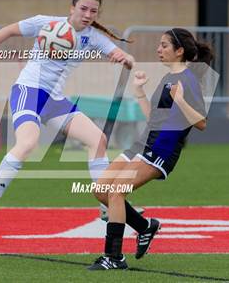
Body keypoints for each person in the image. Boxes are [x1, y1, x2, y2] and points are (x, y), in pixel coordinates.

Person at [0, 0, 135, 228]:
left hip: (55, 100)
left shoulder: (93, 37)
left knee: (99, 139)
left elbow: (123, 55)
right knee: (28, 144)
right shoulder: (46, 23)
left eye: (93, 11)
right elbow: (10, 30)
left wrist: (125, 60)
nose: (87, 14)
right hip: (28, 92)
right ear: (72, 8)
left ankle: (105, 204)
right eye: (83, 8)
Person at [88, 28, 214, 270]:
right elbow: (154, 118)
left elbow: (201, 123)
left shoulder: (189, 80)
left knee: (115, 192)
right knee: (101, 189)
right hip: (144, 142)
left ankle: (114, 257)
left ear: (179, 51)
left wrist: (180, 100)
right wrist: (139, 93)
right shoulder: (168, 78)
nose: (159, 49)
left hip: (161, 149)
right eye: (159, 45)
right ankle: (146, 227)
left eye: (165, 46)